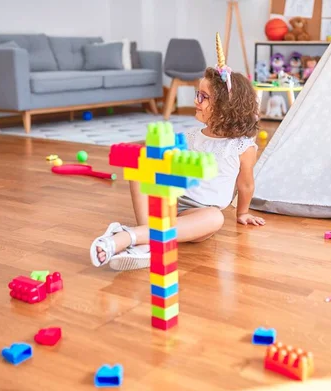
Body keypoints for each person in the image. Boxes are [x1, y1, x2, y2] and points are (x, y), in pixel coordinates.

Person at [90, 34, 266, 271]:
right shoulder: (192, 135)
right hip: (172, 202)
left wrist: (242, 213)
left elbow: (245, 185)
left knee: (215, 218)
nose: (196, 100)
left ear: (226, 108)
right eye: (197, 94)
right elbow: (167, 165)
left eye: (203, 97)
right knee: (140, 166)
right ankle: (146, 243)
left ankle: (130, 236)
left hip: (200, 212)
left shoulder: (242, 146)